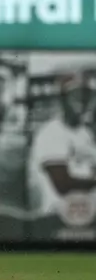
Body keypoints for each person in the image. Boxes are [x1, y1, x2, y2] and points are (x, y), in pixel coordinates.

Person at [28, 74, 96, 216]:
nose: (84, 104)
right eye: (77, 98)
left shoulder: (85, 133)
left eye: (89, 98)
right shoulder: (52, 132)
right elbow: (62, 184)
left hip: (85, 213)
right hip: (58, 216)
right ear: (63, 101)